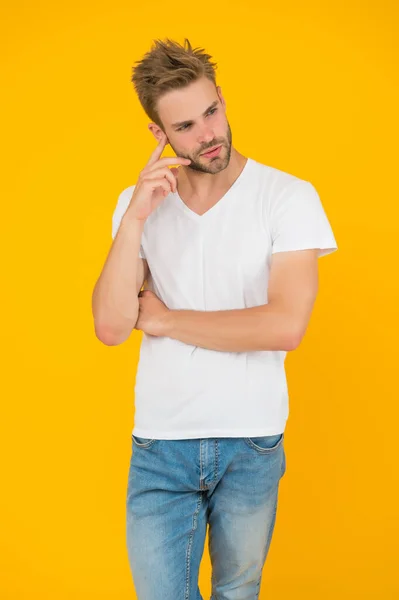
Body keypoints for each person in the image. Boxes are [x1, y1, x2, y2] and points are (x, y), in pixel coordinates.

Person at [92, 38, 338, 600]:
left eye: (212, 111)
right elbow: (110, 327)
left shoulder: (287, 197)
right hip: (160, 445)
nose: (209, 133)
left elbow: (284, 326)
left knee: (237, 593)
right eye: (186, 125)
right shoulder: (139, 205)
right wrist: (133, 220)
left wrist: (164, 321)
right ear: (159, 134)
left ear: (222, 98)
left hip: (250, 441)